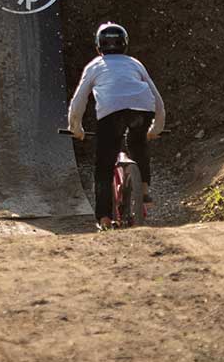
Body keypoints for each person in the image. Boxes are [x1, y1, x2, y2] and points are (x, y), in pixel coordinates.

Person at [65, 22, 166, 230]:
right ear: (125, 44)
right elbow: (156, 97)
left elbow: (79, 100)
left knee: (104, 165)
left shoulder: (95, 65)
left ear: (98, 46)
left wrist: (76, 127)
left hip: (111, 113)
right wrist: (156, 127)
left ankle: (104, 218)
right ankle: (144, 188)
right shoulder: (135, 64)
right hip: (142, 108)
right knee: (137, 143)